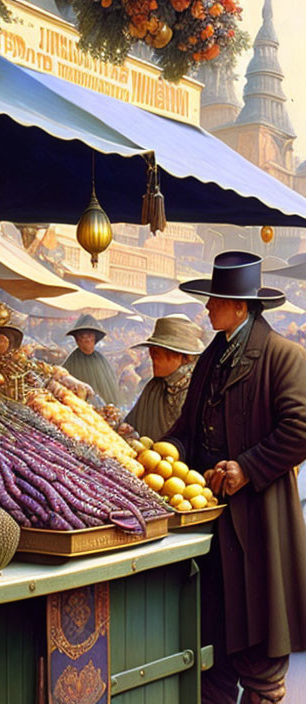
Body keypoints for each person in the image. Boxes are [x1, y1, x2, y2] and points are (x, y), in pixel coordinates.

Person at [162, 252, 306, 703]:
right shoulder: (210, 358)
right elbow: (186, 430)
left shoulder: (284, 356)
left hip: (261, 522)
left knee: (261, 651)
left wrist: (248, 466)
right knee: (215, 647)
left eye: (214, 301)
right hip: (212, 524)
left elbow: (300, 428)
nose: (207, 309)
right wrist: (160, 453)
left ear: (240, 306)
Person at [124, 315, 204, 440]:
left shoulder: (198, 390)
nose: (152, 358)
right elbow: (131, 424)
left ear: (179, 356)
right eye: (152, 352)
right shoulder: (154, 387)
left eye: (156, 353)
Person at [61, 313, 121, 405]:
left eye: (89, 335)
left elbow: (112, 389)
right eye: (82, 336)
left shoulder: (101, 360)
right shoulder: (72, 361)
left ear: (95, 338)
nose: (87, 340)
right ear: (77, 340)